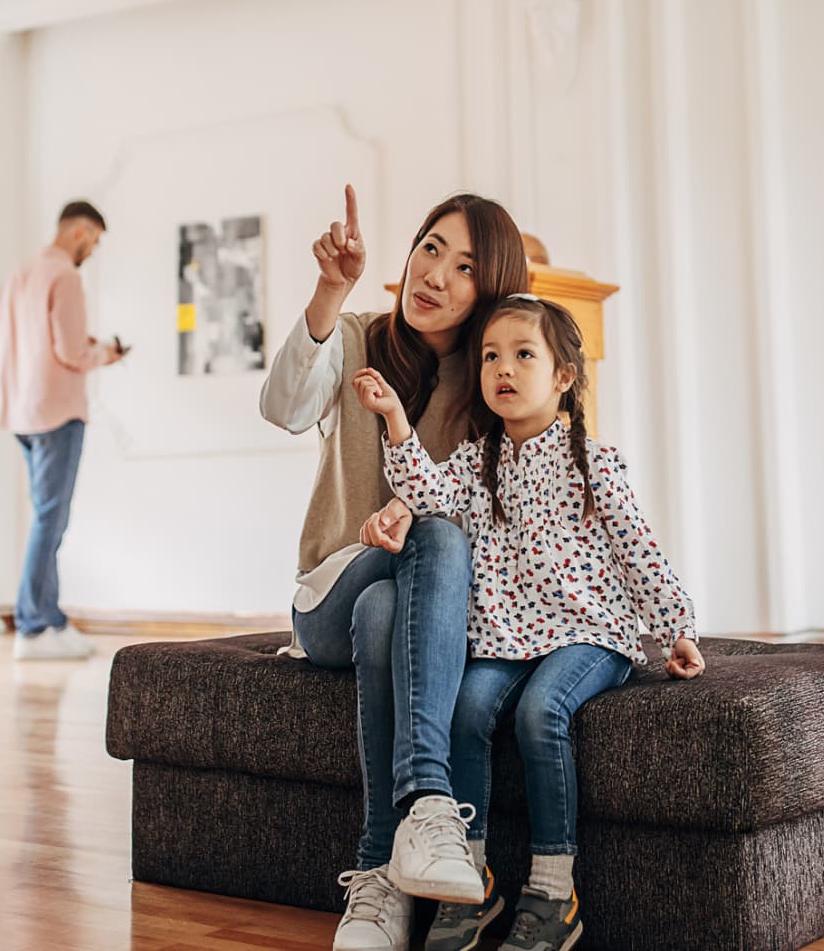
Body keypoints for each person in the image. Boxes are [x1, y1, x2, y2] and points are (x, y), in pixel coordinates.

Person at [354, 294, 703, 951]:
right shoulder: (474, 460)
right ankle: (473, 884)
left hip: (588, 632)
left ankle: (551, 891)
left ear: (562, 377)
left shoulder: (593, 462)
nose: (503, 370)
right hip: (506, 636)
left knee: (540, 712)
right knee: (463, 711)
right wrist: (397, 419)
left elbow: (637, 545)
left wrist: (676, 626)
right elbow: (425, 495)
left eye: (523, 355)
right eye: (491, 357)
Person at [259, 185, 529, 951]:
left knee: (399, 595)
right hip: (327, 602)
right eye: (431, 247)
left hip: (401, 614)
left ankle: (380, 875)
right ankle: (432, 800)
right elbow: (282, 406)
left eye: (465, 266)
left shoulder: (490, 388)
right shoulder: (354, 338)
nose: (435, 273)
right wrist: (330, 288)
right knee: (431, 544)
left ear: (491, 292)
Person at [0, 200, 128, 661]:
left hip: (20, 409)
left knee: (46, 516)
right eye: (94, 239)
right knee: (51, 518)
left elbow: (25, 342)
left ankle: (49, 619)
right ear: (80, 231)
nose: (92, 248)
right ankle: (32, 626)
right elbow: (70, 351)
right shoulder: (65, 275)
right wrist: (106, 353)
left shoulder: (21, 273)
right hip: (56, 410)